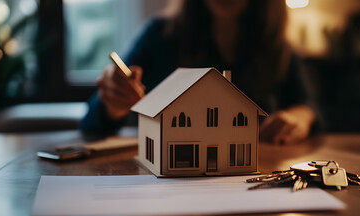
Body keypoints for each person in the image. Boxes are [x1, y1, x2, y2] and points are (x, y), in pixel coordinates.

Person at [80, 0, 317, 144]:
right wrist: (111, 104)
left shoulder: (278, 49)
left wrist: (302, 117)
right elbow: (91, 121)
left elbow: (310, 106)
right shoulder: (159, 37)